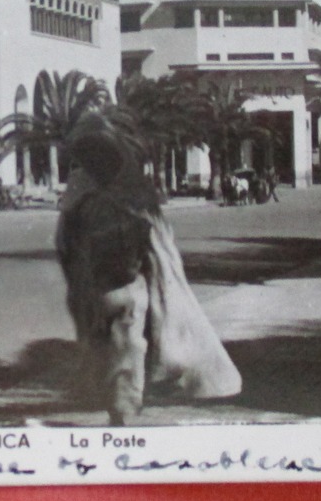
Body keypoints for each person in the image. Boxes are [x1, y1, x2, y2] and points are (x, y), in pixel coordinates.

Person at [56, 117, 241, 426]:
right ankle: (122, 412)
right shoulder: (117, 192)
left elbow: (74, 241)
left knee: (123, 350)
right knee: (119, 351)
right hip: (110, 287)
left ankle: (123, 416)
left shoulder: (94, 194)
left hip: (116, 288)